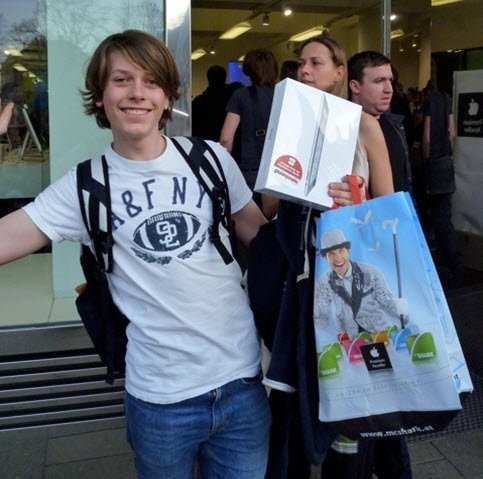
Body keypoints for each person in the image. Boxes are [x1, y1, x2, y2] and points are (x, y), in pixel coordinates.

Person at [0, 30, 271, 479]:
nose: (137, 93)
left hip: (242, 383)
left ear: (166, 98)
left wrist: (314, 205)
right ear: (100, 96)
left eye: (151, 81)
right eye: (121, 80)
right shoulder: (84, 187)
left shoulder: (210, 160)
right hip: (160, 401)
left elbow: (262, 240)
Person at [314, 229, 406, 337]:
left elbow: (387, 302)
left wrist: (400, 309)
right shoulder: (324, 282)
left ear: (348, 251)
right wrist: (315, 305)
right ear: (326, 258)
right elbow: (322, 321)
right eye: (331, 254)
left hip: (380, 333)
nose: (338, 258)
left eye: (341, 251)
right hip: (351, 339)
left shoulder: (370, 273)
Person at [422, 59, 463, 288]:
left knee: (436, 218)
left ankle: (450, 264)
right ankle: (454, 263)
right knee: (444, 216)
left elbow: (427, 137)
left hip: (435, 163)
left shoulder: (431, 100)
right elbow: (452, 132)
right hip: (446, 162)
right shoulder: (447, 98)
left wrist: (426, 159)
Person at [348, 51, 412, 194]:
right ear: (355, 86)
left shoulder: (394, 124)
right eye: (379, 81)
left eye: (390, 80)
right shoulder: (343, 129)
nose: (389, 89)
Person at [220, 48, 278, 194]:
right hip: (280, 169)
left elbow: (226, 139)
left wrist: (223, 168)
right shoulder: (283, 93)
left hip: (250, 169)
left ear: (248, 70)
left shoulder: (240, 95)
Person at [191, 64, 229, 141]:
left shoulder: (199, 101)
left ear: (208, 79)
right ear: (225, 78)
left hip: (204, 143)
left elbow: (194, 127)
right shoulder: (232, 100)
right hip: (229, 144)